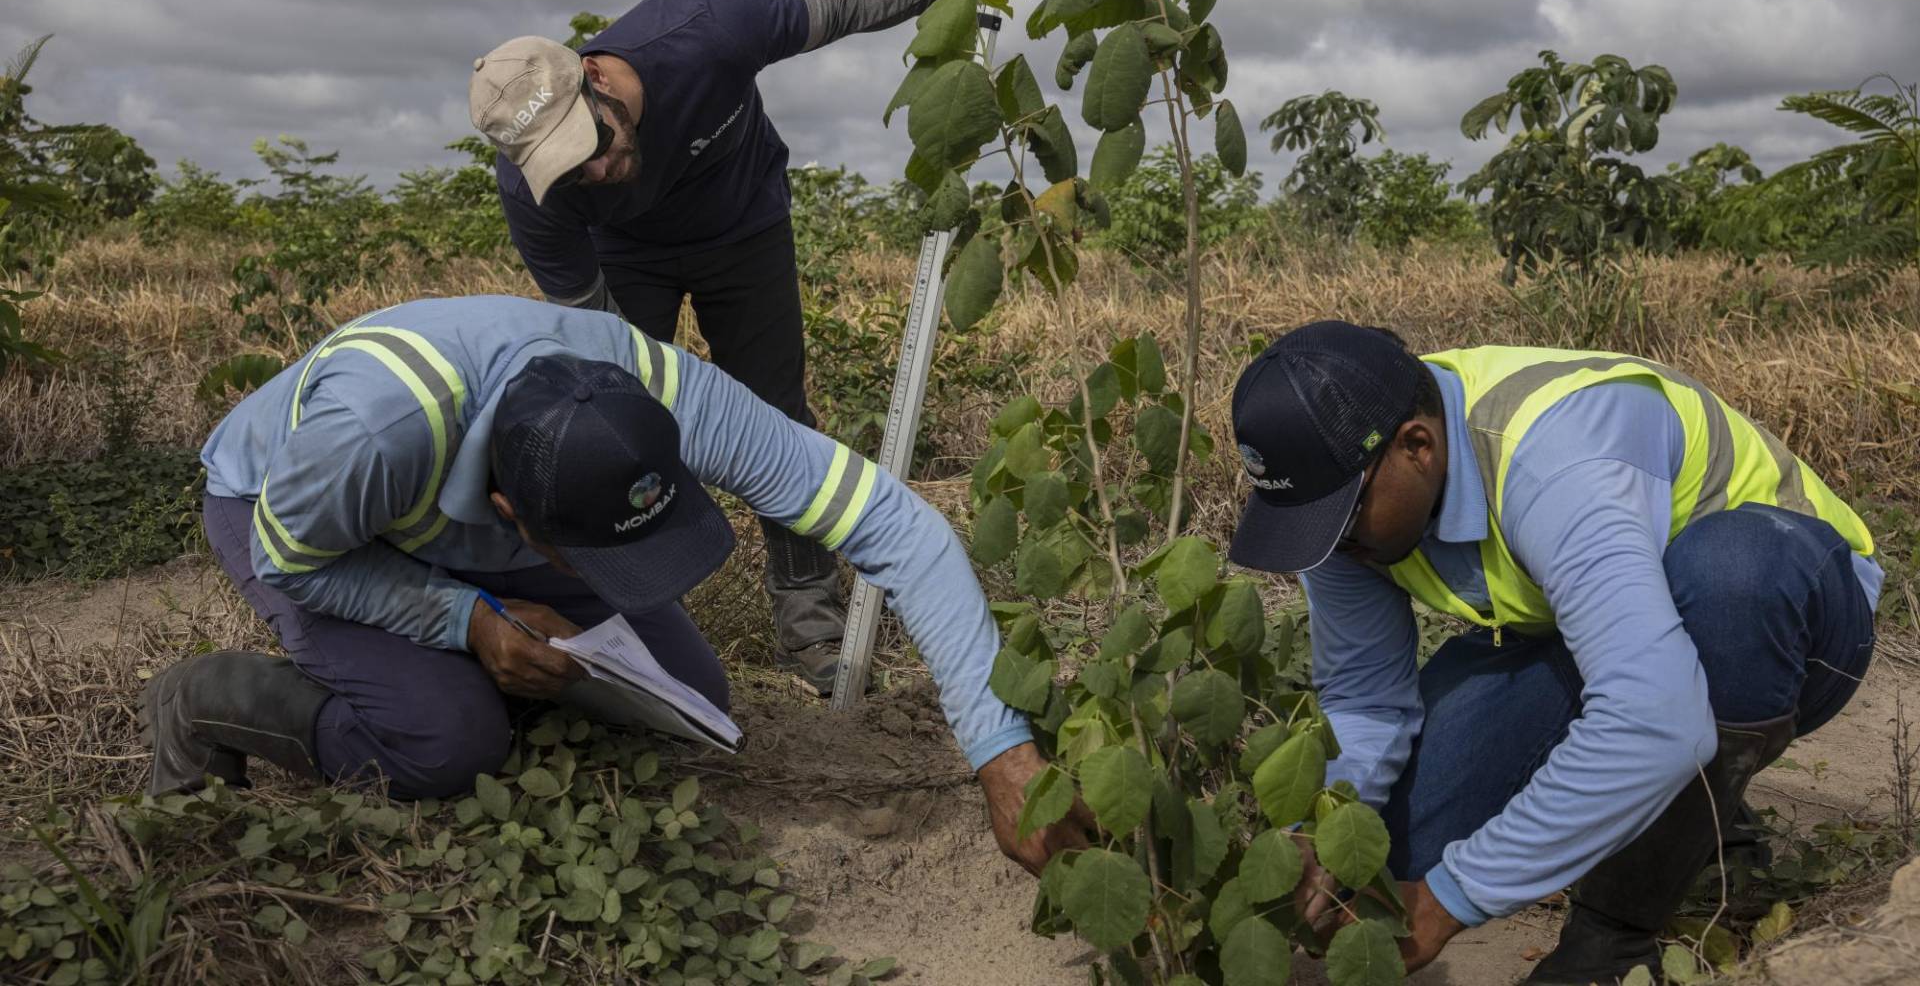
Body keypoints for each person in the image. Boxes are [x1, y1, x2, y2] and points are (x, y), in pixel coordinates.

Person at [141, 295, 1087, 875]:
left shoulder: (658, 395)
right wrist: (468, 617)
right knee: (447, 747)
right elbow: (290, 558)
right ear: (509, 513)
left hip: (468, 519)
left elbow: (897, 526)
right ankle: (203, 701)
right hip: (300, 522)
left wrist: (1003, 756)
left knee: (690, 700)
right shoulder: (377, 431)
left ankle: (488, 670)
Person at [466, 0, 1027, 693]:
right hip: (627, 259)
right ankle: (632, 610)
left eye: (590, 143)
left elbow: (839, 6)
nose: (593, 170)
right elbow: (593, 336)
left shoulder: (707, 27)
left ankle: (808, 616)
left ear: (595, 76)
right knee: (609, 422)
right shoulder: (536, 197)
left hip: (744, 228)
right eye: (566, 167)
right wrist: (644, 414)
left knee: (778, 413)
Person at [1225, 321, 1880, 983]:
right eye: (1304, 523)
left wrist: (1453, 897)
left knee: (1734, 579)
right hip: (1598, 633)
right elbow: (1367, 697)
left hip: (1795, 621)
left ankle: (1616, 936)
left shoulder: (1554, 454)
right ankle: (1682, 808)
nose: (1328, 546)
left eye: (1341, 519)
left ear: (1417, 447)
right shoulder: (1340, 495)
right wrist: (1330, 822)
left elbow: (1656, 719)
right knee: (1391, 854)